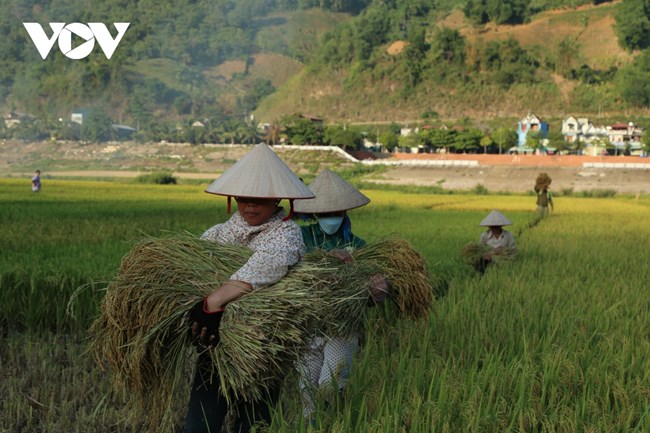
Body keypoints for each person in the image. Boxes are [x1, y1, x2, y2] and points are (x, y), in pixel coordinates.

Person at [184, 143, 315, 433]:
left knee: (253, 424)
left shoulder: (287, 233)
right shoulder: (220, 232)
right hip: (214, 343)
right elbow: (196, 263)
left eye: (260, 199)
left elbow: (270, 263)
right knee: (200, 423)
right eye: (244, 198)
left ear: (277, 199)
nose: (250, 205)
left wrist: (214, 301)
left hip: (263, 345)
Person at [293, 169, 389, 424]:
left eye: (336, 213)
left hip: (342, 327)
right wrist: (325, 259)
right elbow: (291, 270)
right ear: (315, 214)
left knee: (330, 384)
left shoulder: (359, 246)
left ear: (345, 212)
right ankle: (313, 427)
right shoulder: (301, 237)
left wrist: (379, 289)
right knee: (306, 386)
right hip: (307, 326)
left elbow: (375, 288)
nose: (331, 218)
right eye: (325, 214)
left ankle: (334, 423)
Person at [476, 209, 517, 274]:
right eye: (493, 226)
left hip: (504, 262)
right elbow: (479, 251)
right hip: (488, 262)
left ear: (501, 225)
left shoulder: (509, 235)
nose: (495, 228)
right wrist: (489, 253)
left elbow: (513, 251)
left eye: (497, 226)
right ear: (490, 226)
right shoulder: (484, 236)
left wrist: (502, 251)